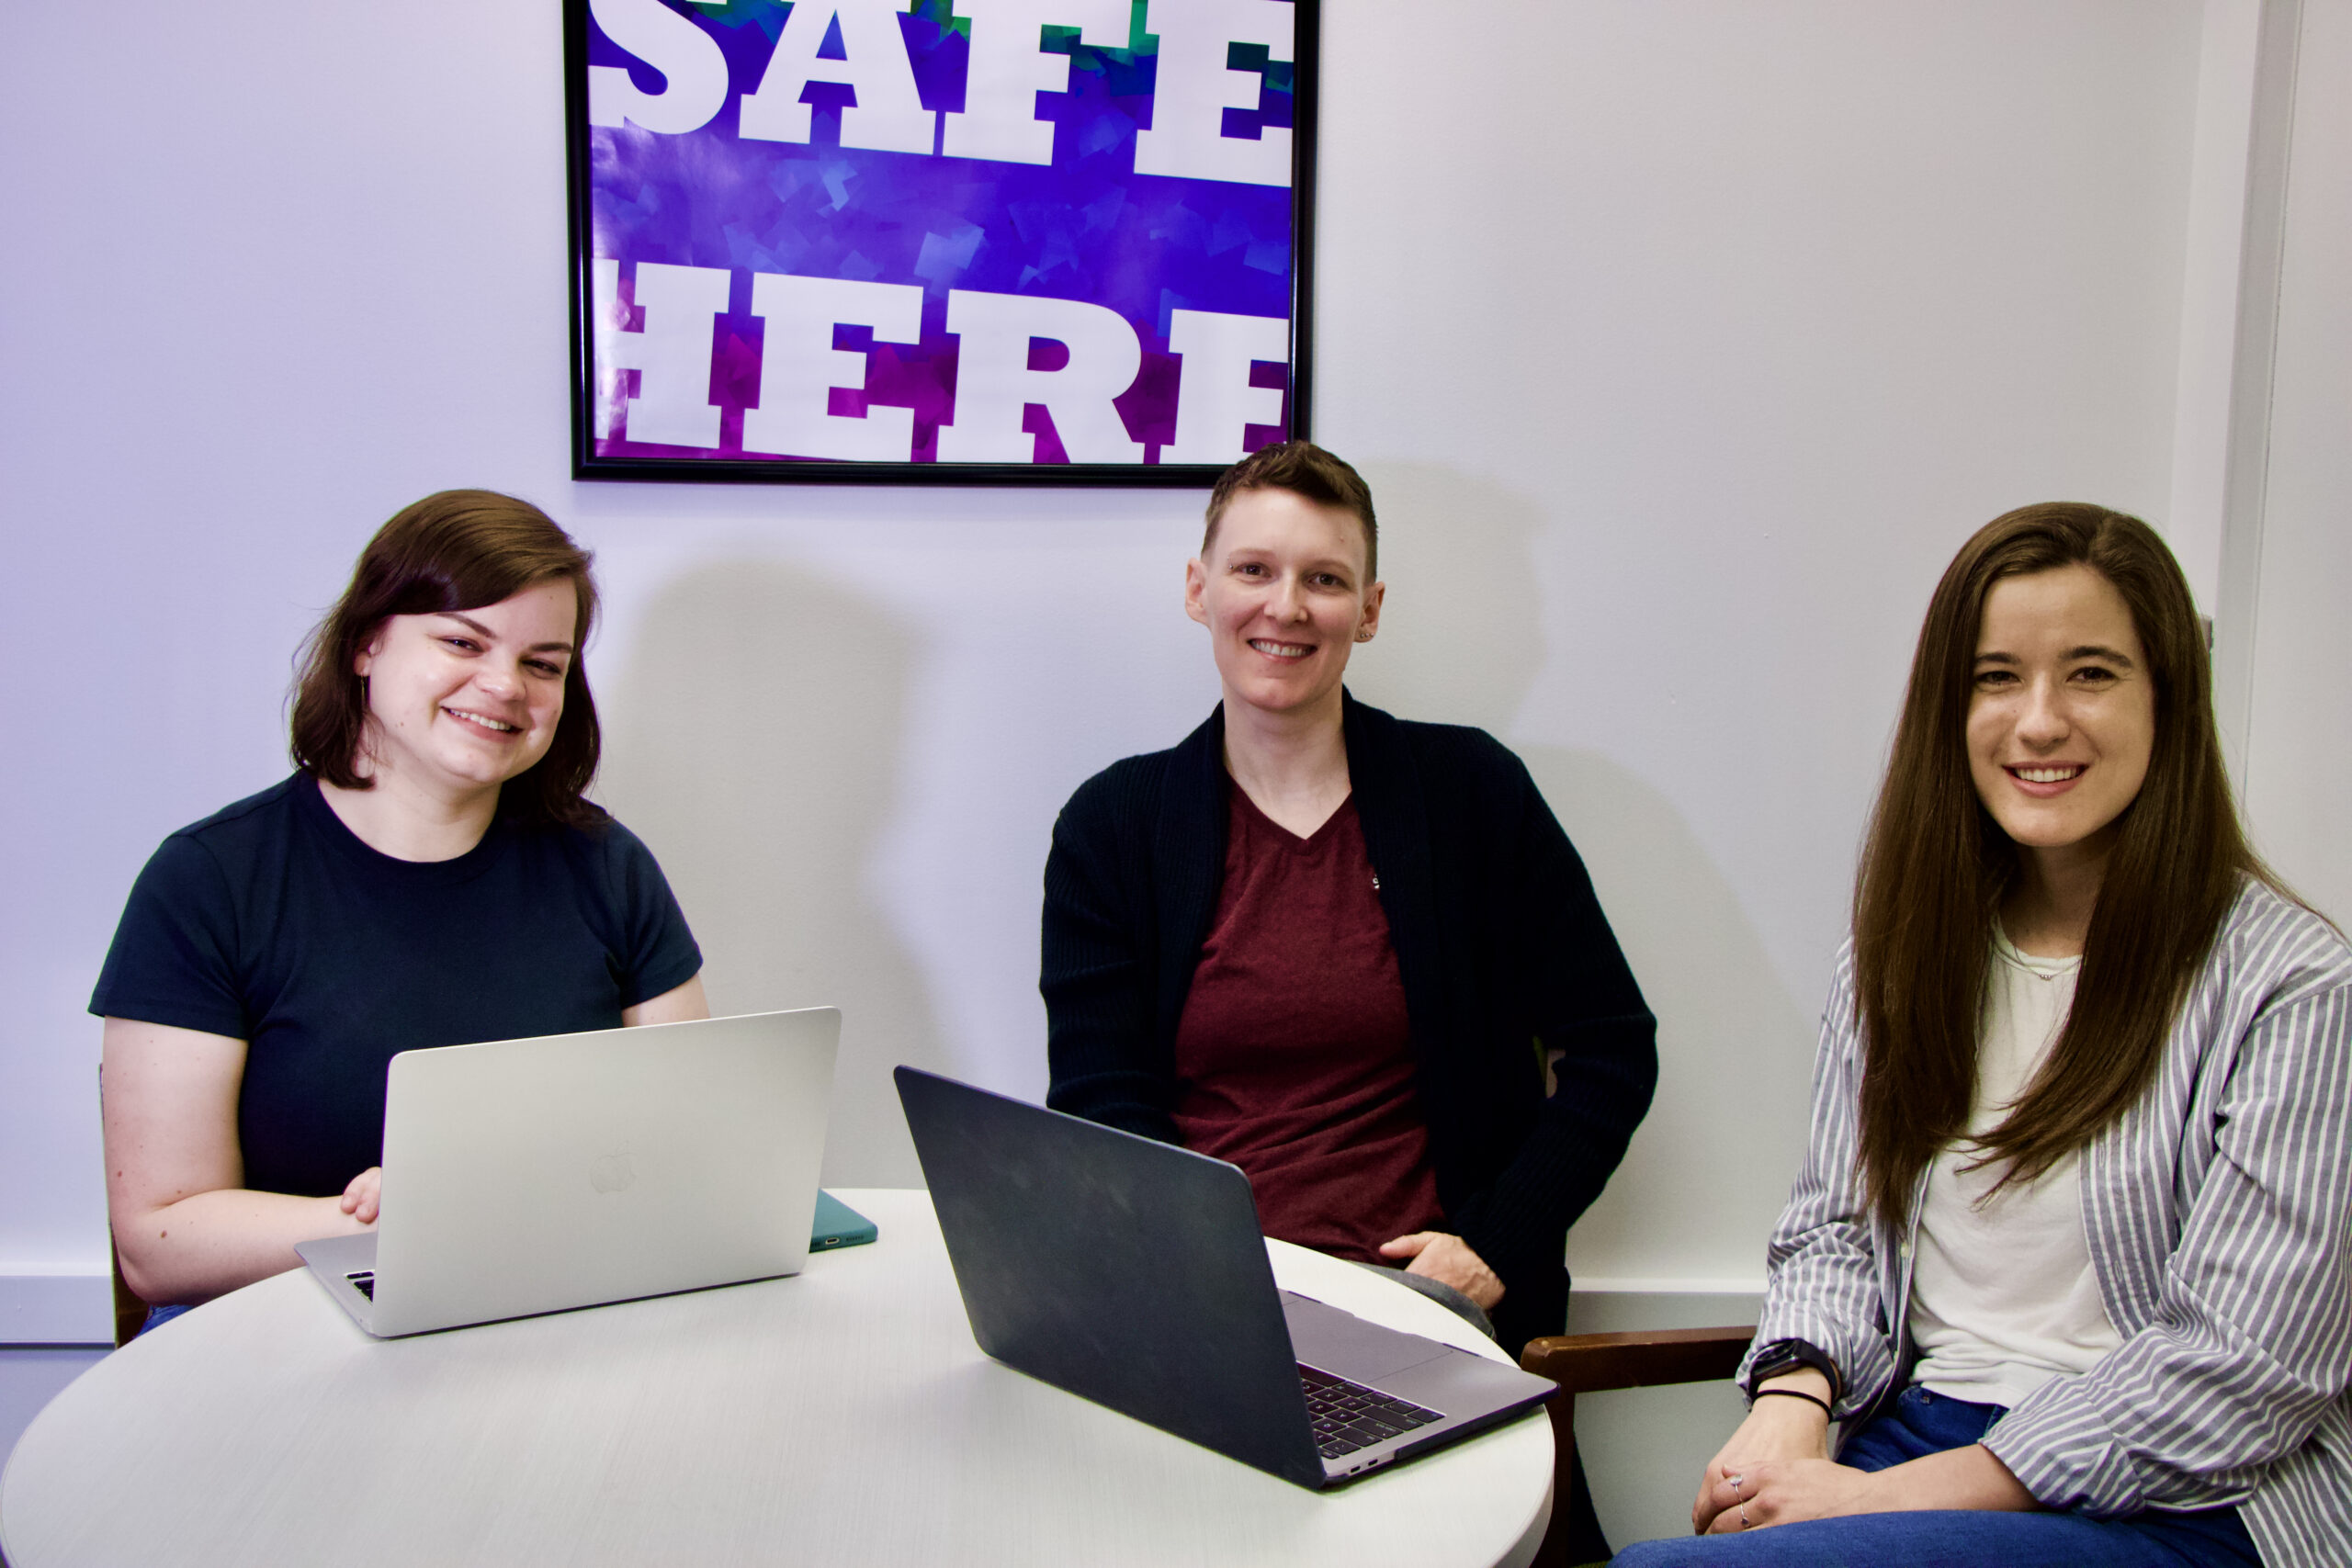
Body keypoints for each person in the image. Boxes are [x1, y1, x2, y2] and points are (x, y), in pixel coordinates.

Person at [1616, 503, 2352, 1567]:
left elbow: (2240, 1372)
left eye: (2091, 673)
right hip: (1925, 1436)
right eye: (1996, 677)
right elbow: (1834, 1227)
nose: (2038, 721)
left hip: (2185, 1501)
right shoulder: (1899, 952)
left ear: (2168, 702)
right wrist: (1791, 1397)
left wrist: (1879, 1501)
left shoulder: (2291, 984)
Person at [1040, 440, 1657, 1553]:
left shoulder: (1471, 795)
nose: (1287, 607)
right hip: (1215, 1326)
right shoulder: (1114, 828)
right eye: (1253, 571)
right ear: (1198, 590)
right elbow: (1099, 1110)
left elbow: (1613, 1051)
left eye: (1324, 580)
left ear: (1368, 611)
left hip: (1437, 1323)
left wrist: (1490, 1246)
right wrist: (1206, 1290)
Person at [94, 491, 707, 1324]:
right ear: (364, 644)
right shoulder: (208, 880)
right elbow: (159, 1239)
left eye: (544, 663)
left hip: (545, 1319)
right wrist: (399, 1223)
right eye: (462, 640)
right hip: (277, 1337)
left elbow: (699, 1146)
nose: (504, 685)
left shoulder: (608, 865)